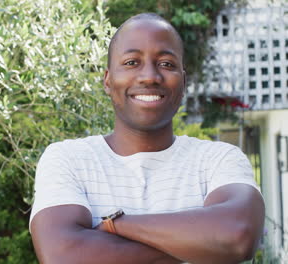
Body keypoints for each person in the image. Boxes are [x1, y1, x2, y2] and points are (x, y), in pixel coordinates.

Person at [29, 13, 265, 264]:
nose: (150, 76)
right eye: (131, 62)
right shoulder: (69, 159)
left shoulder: (218, 160)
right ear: (108, 81)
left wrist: (115, 225)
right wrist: (201, 242)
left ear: (183, 82)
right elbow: (62, 256)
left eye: (166, 64)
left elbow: (238, 235)